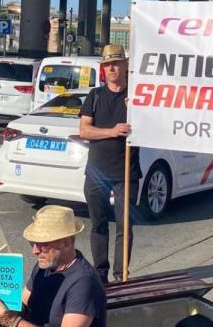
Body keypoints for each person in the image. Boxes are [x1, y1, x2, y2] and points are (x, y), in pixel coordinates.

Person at [0, 205, 106, 327]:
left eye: (42, 244)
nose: (35, 251)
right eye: (33, 243)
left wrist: (13, 322)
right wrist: (0, 306)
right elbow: (22, 304)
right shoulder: (44, 267)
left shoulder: (84, 283)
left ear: (65, 243)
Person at [78, 44, 140, 284]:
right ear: (103, 69)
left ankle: (121, 274)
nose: (112, 68)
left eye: (116, 63)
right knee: (98, 224)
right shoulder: (94, 96)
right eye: (107, 65)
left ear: (125, 66)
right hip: (96, 172)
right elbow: (84, 130)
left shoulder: (136, 97)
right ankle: (100, 273)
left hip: (127, 172)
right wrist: (113, 131)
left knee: (125, 227)